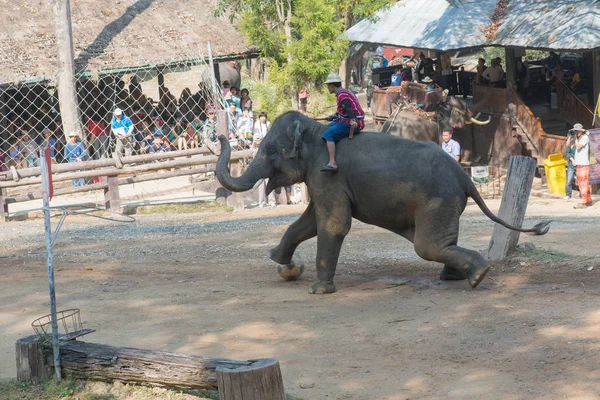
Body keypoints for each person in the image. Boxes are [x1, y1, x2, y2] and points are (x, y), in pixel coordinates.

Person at [320, 73, 365, 172]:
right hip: (346, 120)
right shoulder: (343, 92)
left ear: (332, 85)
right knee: (328, 127)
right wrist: (333, 116)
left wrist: (353, 120)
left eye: (328, 85)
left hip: (352, 123)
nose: (328, 88)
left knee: (328, 135)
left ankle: (332, 163)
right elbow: (343, 110)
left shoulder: (342, 94)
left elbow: (348, 107)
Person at [573, 123, 592, 209]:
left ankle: (583, 201)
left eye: (576, 131)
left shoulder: (585, 138)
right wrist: (572, 137)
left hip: (583, 163)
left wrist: (576, 139)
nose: (576, 132)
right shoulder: (579, 138)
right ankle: (588, 200)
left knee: (583, 183)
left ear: (580, 131)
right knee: (583, 183)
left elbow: (578, 147)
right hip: (579, 163)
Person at [565, 133, 577, 200]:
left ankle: (582, 195)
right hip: (571, 164)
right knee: (569, 180)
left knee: (580, 180)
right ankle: (568, 195)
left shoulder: (579, 141)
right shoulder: (570, 144)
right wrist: (572, 160)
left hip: (580, 163)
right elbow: (567, 153)